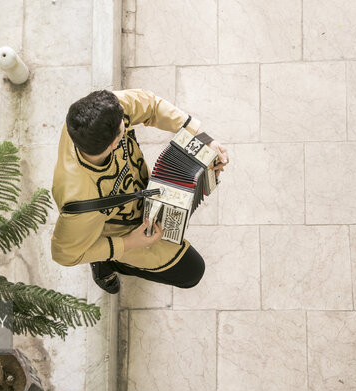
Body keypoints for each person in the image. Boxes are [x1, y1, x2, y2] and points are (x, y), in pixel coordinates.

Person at [50, 89, 229, 294]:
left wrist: (202, 139)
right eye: (124, 126)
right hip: (124, 230)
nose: (126, 119)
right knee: (192, 272)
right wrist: (127, 243)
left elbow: (150, 104)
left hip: (143, 191)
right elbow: (64, 254)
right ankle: (107, 263)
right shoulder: (79, 205)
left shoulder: (95, 116)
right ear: (114, 144)